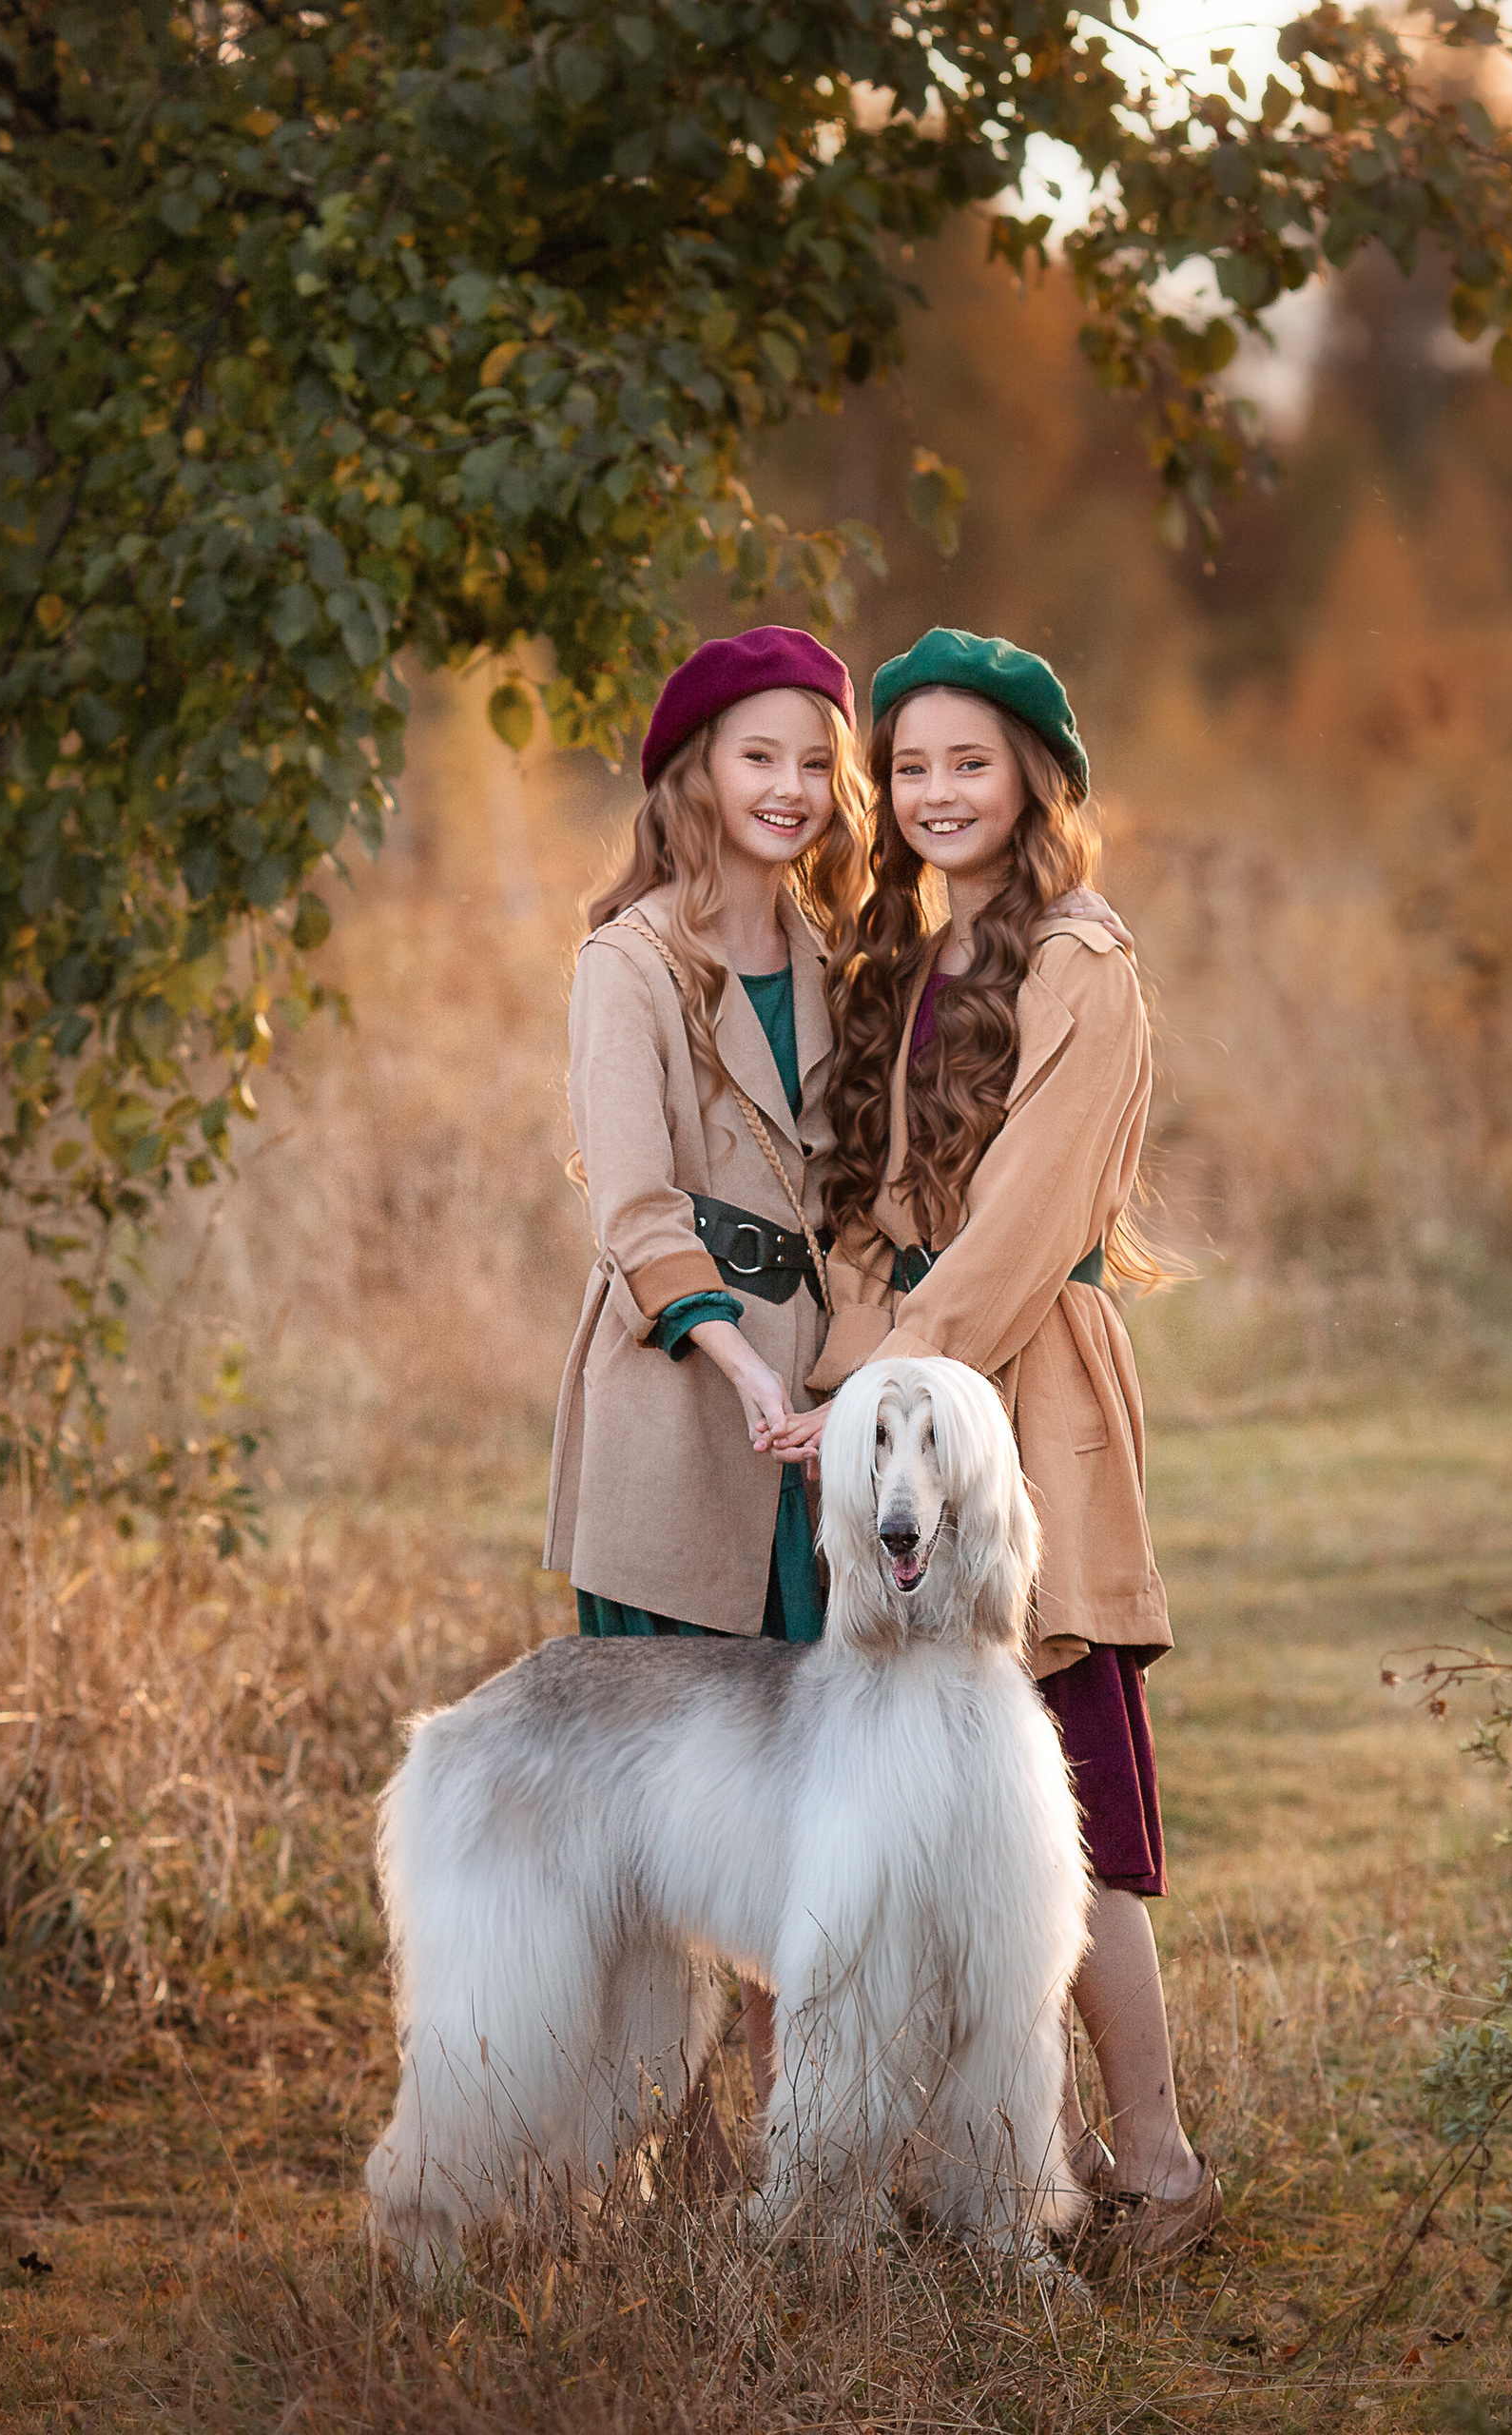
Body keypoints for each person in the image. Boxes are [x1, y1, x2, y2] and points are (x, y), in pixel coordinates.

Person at [778, 627, 1221, 2268]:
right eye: (910, 767)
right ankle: (967, 2161)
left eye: (972, 761)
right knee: (915, 1783)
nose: (938, 792)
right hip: (904, 1399)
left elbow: (1025, 1220)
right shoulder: (912, 962)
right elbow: (886, 1215)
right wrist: (825, 1384)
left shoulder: (1080, 959)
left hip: (1021, 1401)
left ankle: (1161, 2164)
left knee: (1066, 1792)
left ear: (1038, 775)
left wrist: (893, 1379)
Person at [545, 625, 867, 2165]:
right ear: (695, 770)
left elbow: (866, 1196)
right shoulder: (629, 962)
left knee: (803, 1807)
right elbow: (635, 1211)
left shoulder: (846, 963)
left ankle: (789, 2151)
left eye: (818, 760)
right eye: (763, 756)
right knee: (672, 1818)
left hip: (821, 1432)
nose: (793, 787)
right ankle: (657, 2163)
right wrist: (744, 1365)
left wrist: (848, 1378)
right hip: (687, 1418)